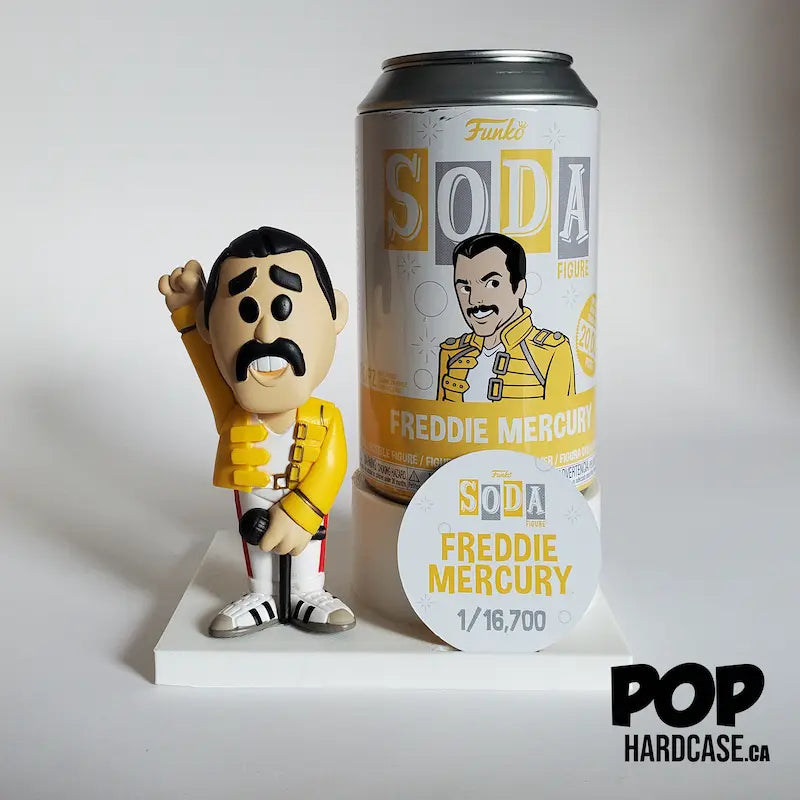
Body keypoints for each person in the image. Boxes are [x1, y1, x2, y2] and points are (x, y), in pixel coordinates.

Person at [158, 226, 355, 637]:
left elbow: (332, 466)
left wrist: (301, 511)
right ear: (209, 325)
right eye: (248, 312)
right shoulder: (235, 416)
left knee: (308, 546)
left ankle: (308, 593)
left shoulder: (325, 418)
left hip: (305, 499)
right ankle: (262, 595)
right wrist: (188, 315)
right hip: (254, 492)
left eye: (283, 308)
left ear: (335, 313)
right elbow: (208, 369)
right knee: (258, 549)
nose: (265, 334)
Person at [437, 232, 575, 402]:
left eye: (492, 283)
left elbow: (562, 415)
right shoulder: (452, 352)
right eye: (465, 288)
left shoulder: (551, 352)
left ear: (520, 288)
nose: (474, 300)